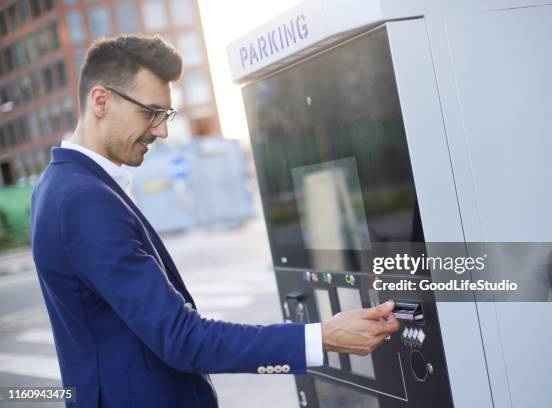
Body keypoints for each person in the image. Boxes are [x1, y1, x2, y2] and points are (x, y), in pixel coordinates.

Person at [30, 34, 400, 408]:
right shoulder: (84, 200)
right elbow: (182, 339)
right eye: (151, 112)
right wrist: (322, 337)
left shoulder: (59, 185)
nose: (162, 130)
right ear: (101, 100)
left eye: (166, 115)